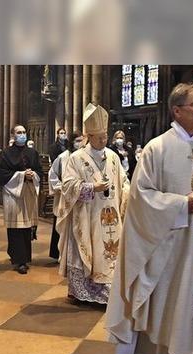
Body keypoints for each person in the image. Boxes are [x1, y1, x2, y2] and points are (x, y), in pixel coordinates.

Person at [105, 83, 193, 354]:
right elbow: (141, 198)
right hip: (167, 248)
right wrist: (182, 205)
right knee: (170, 305)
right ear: (177, 110)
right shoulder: (156, 149)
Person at [57, 104, 130, 305]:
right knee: (89, 248)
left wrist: (127, 190)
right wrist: (91, 187)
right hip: (87, 216)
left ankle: (110, 290)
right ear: (89, 136)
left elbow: (123, 181)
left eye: (105, 135)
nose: (104, 139)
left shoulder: (114, 157)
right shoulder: (77, 158)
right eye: (99, 136)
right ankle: (82, 292)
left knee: (110, 251)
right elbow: (68, 186)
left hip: (111, 214)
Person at [0, 124, 43, 274]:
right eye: (19, 132)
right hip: (13, 194)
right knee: (16, 227)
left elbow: (39, 171)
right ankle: (18, 260)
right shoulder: (6, 153)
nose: (22, 135)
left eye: (23, 132)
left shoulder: (33, 152)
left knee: (26, 227)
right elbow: (2, 174)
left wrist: (33, 175)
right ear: (13, 135)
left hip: (28, 192)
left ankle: (25, 257)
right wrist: (22, 175)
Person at [48, 132, 84, 262]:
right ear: (72, 142)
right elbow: (52, 173)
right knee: (64, 225)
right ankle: (61, 253)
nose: (80, 143)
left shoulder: (85, 157)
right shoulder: (63, 157)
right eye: (77, 141)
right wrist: (61, 187)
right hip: (65, 196)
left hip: (80, 196)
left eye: (82, 140)